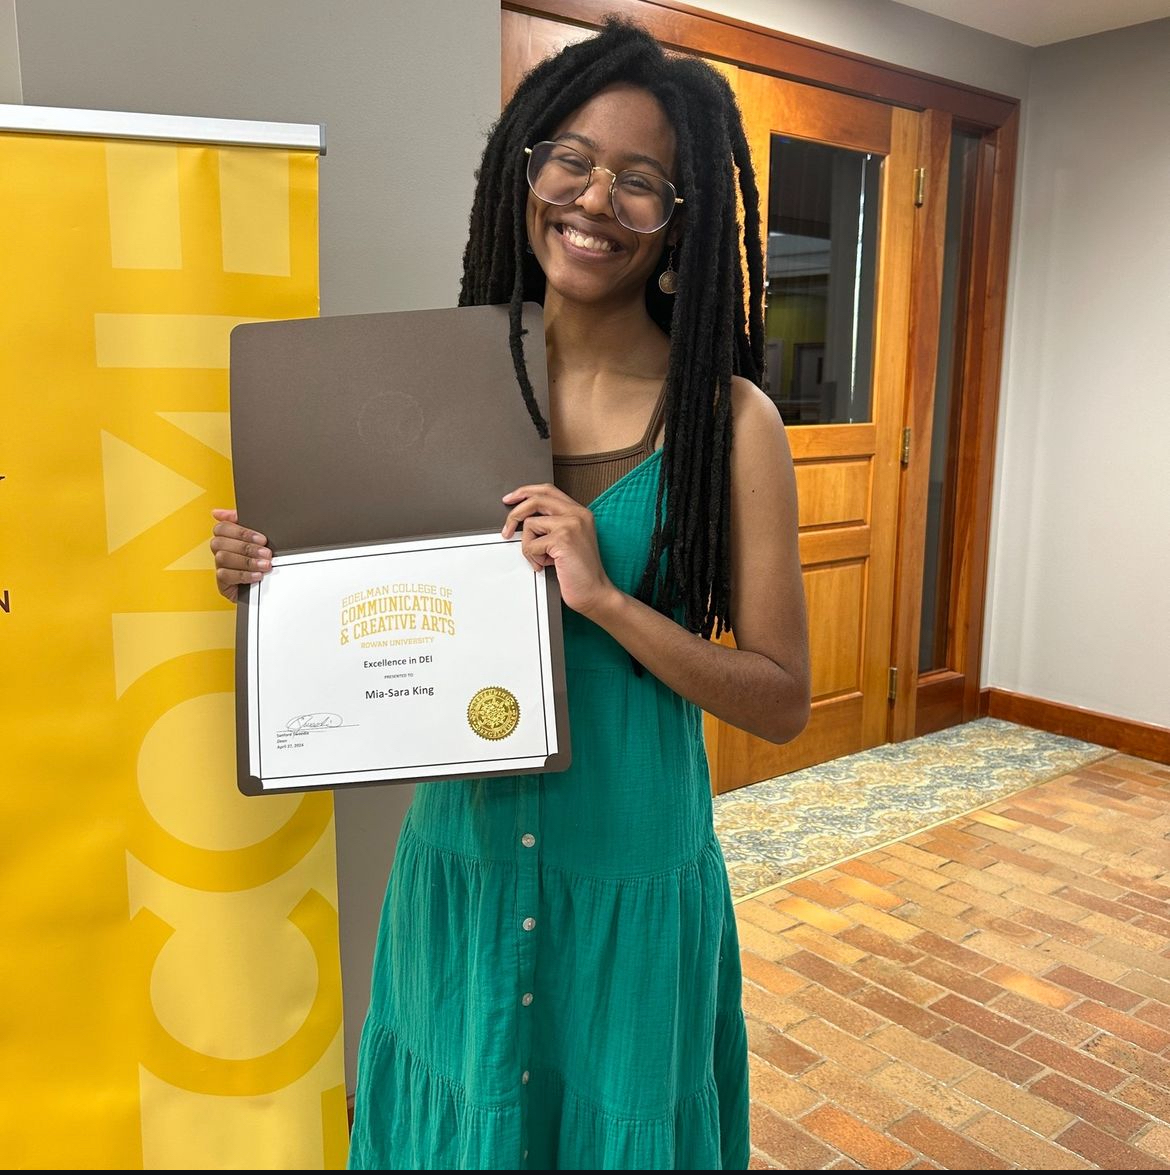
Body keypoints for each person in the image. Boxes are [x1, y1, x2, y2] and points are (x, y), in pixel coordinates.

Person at [211, 18, 809, 1170]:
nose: (596, 200)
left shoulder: (732, 425)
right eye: (572, 160)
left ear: (680, 222)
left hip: (629, 887)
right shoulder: (429, 387)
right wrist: (273, 577)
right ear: (523, 171)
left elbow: (781, 698)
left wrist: (610, 599)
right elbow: (364, 596)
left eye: (643, 182)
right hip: (465, 875)